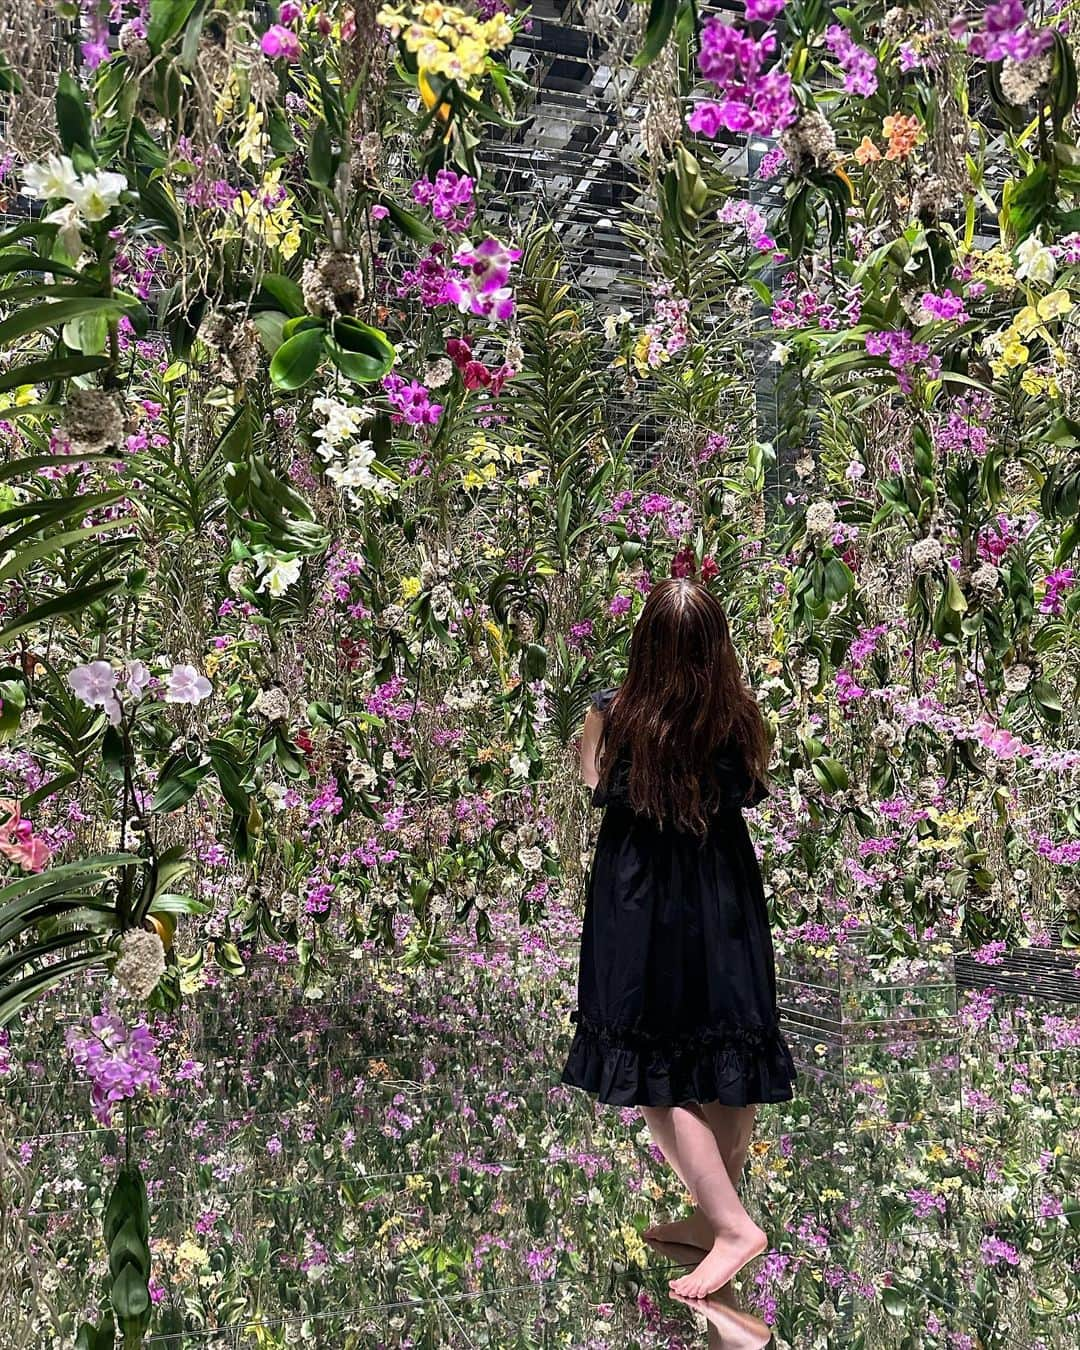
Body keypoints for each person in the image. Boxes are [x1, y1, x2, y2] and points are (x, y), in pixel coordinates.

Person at [560, 576, 798, 1300]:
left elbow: (591, 778)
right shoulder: (740, 716)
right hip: (720, 893)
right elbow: (753, 779)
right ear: (715, 648)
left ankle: (730, 1225)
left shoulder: (611, 714)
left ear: (645, 645)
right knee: (728, 1047)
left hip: (639, 900)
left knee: (657, 1071)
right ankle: (710, 1213)